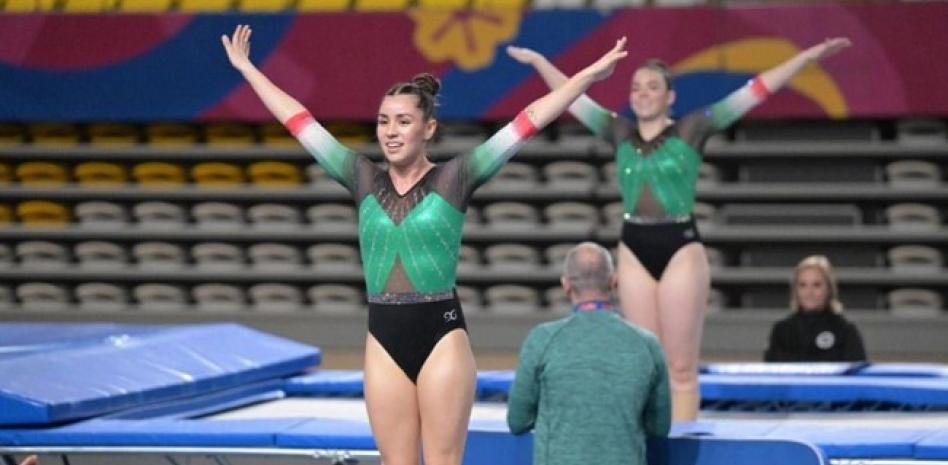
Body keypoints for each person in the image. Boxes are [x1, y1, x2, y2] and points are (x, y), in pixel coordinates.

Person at [221, 25, 628, 465]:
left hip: (441, 334)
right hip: (383, 336)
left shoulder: (456, 178)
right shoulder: (361, 177)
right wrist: (247, 69)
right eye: (383, 121)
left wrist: (586, 76)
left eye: (403, 121)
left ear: (428, 128)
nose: (390, 132)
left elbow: (528, 119)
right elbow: (298, 119)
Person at [507, 37, 851, 421]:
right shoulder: (618, 131)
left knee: (681, 369)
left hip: (680, 247)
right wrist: (540, 59)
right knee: (644, 363)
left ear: (671, 97)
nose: (643, 94)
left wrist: (805, 57)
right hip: (633, 246)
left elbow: (755, 90)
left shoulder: (693, 129)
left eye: (653, 86)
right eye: (636, 87)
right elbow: (571, 95)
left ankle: (684, 445)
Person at [507, 242, 671, 465]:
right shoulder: (648, 345)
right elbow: (659, 428)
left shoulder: (542, 340)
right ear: (614, 282)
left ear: (565, 284)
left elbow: (518, 421)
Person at [764, 255, 867, 362]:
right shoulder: (781, 331)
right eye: (803, 285)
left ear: (829, 289)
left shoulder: (845, 330)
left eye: (817, 285)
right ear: (795, 290)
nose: (809, 292)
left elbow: (856, 373)